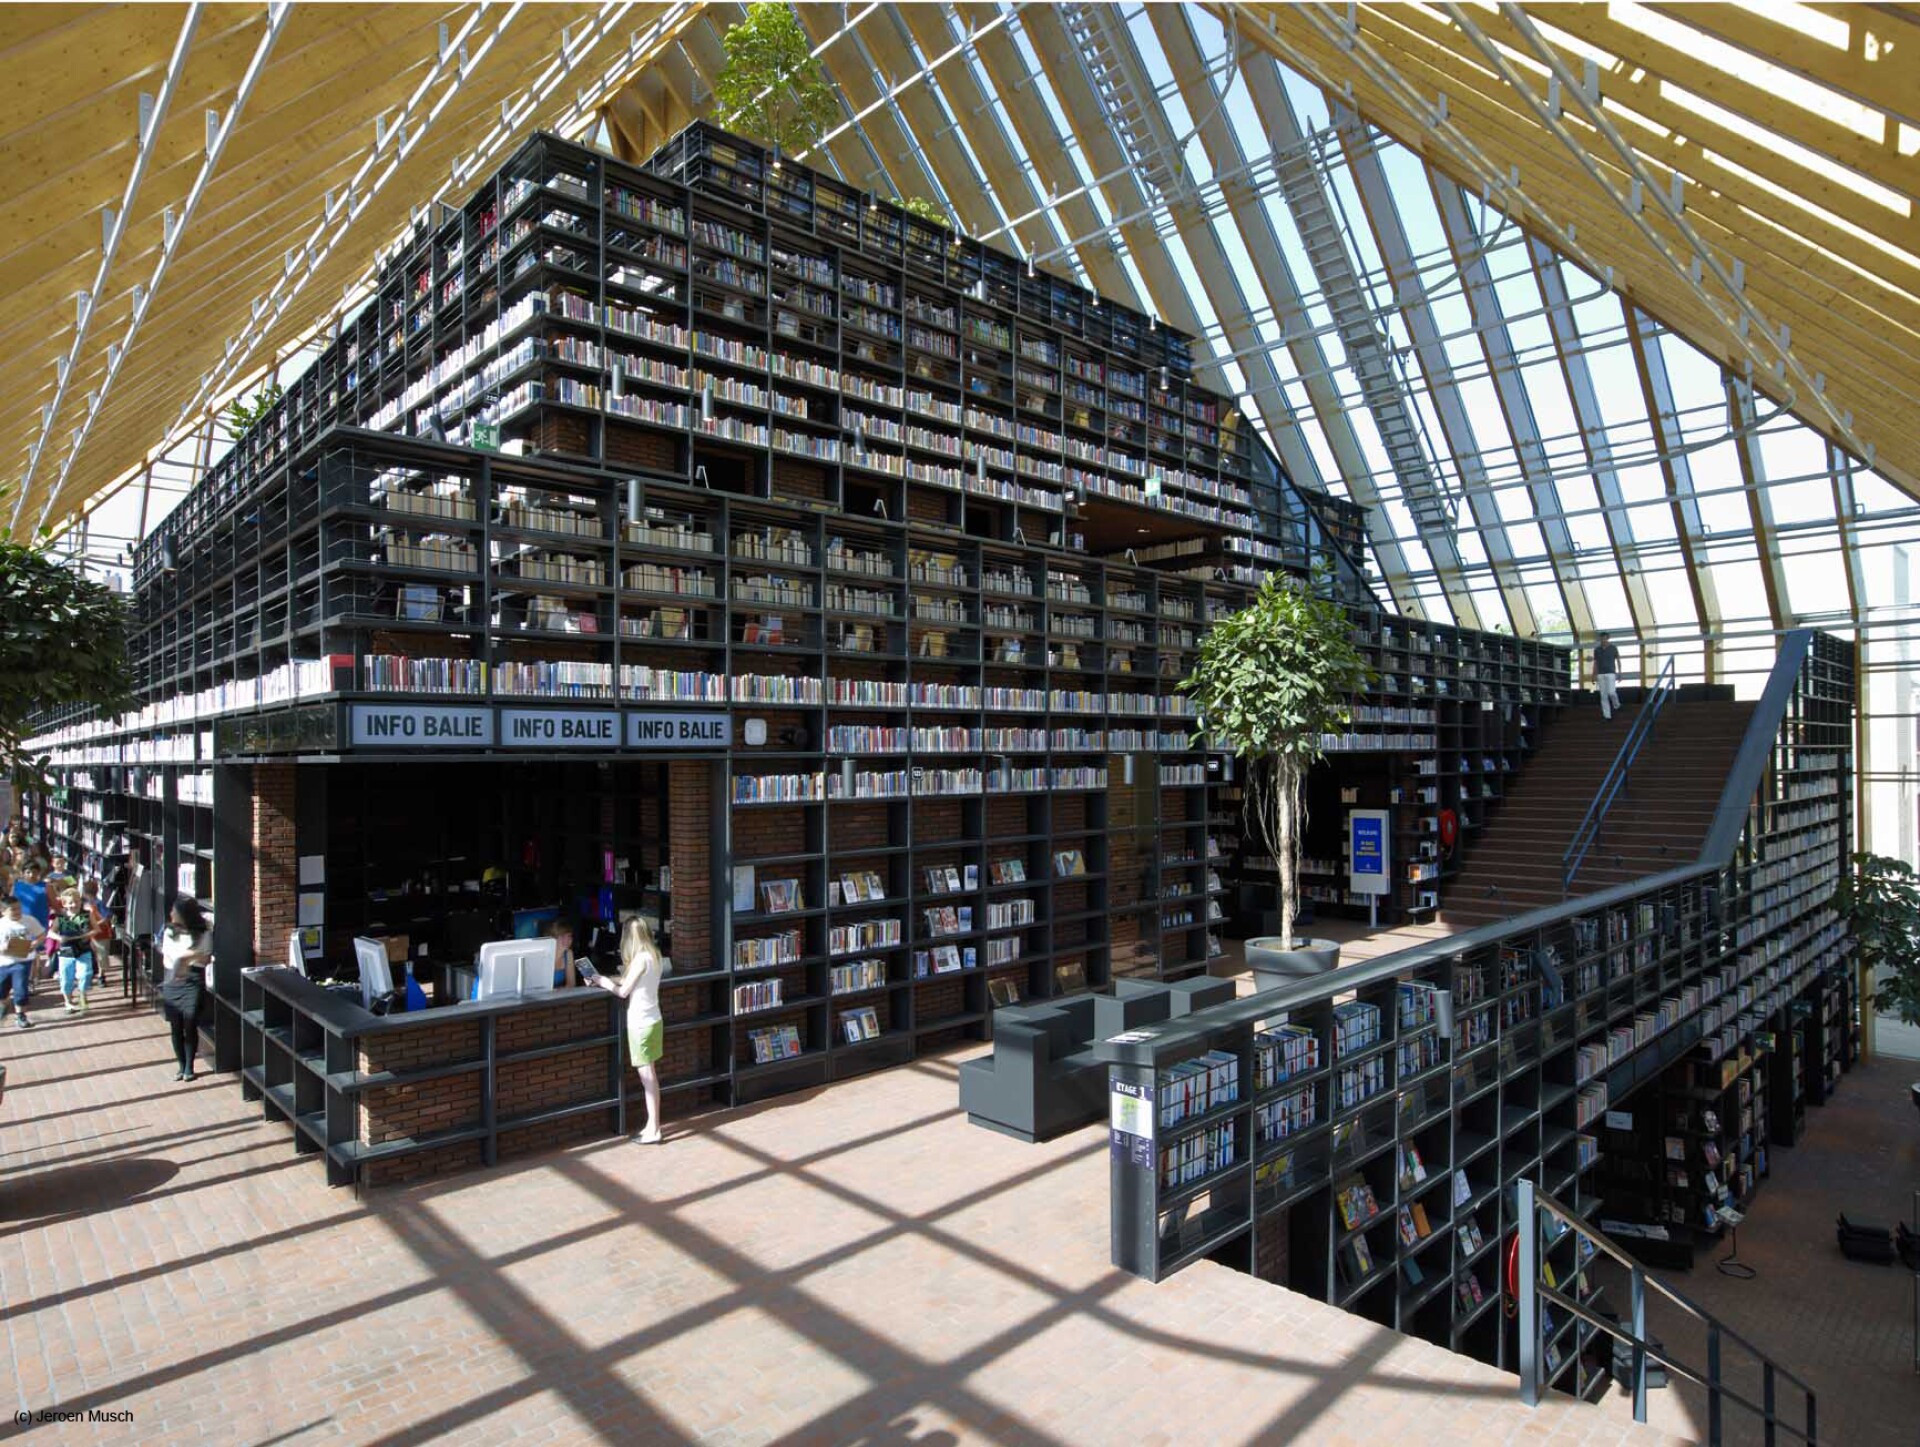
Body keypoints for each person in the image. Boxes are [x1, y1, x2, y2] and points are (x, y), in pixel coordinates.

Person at [594, 915, 668, 1144]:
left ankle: (654, 1128)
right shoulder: (654, 956)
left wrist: (600, 980)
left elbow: (623, 991)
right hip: (654, 1020)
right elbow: (635, 984)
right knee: (650, 1075)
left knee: (647, 1077)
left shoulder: (640, 960)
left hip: (641, 1024)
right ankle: (651, 1124)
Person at [159, 896, 213, 1081]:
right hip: (172, 979)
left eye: (175, 910)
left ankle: (190, 1066)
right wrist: (190, 956)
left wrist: (186, 959)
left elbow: (205, 958)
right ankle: (180, 1066)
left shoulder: (203, 932)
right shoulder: (168, 932)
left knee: (190, 1023)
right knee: (176, 1026)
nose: (171, 914)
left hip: (193, 980)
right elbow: (169, 956)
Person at [48, 888, 95, 1014]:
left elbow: (96, 929)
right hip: (66, 950)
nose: (73, 905)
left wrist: (88, 935)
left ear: (80, 902)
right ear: (64, 904)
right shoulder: (61, 917)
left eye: (76, 901)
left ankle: (82, 996)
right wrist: (60, 938)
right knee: (66, 978)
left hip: (83, 948)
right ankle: (68, 1002)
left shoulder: (87, 914)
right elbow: (51, 932)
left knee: (85, 974)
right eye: (70, 902)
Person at [0, 896, 43, 1029]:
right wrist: (3, 948)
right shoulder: (2, 924)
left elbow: (41, 934)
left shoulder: (29, 921)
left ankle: (21, 1016)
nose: (17, 911)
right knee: (2, 991)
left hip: (23, 961)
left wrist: (35, 944)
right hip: (4, 962)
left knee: (20, 990)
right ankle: (4, 1005)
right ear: (3, 911)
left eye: (19, 908)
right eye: (13, 910)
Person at [1594, 632, 1623, 721]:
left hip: (1611, 673)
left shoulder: (1613, 648)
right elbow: (1595, 663)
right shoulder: (1597, 650)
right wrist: (1593, 674)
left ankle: (1617, 705)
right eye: (1602, 638)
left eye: (1605, 638)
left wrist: (1620, 673)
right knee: (1603, 696)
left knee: (1611, 692)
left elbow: (1618, 660)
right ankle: (1607, 716)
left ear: (1608, 638)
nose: (1603, 640)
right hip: (1600, 674)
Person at [543, 916, 578, 989]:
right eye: (562, 936)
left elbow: (571, 984)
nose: (567, 940)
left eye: (569, 936)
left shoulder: (568, 953)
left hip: (561, 997)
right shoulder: (542, 956)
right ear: (551, 938)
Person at [13, 861, 49, 930]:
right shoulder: (16, 886)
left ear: (39, 873)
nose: (31, 875)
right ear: (23, 873)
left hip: (39, 924)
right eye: (28, 872)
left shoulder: (45, 886)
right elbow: (10, 903)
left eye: (34, 872)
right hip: (19, 923)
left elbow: (55, 905)